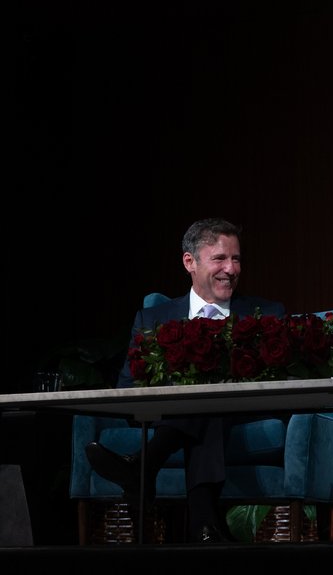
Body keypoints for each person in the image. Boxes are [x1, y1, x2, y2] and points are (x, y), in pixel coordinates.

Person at [85, 218, 285, 542]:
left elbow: (276, 378)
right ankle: (205, 525)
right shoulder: (153, 319)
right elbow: (127, 385)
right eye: (219, 258)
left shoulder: (266, 314)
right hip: (167, 414)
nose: (231, 269)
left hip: (241, 412)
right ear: (189, 261)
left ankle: (144, 465)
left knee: (211, 400)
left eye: (236, 259)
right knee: (203, 406)